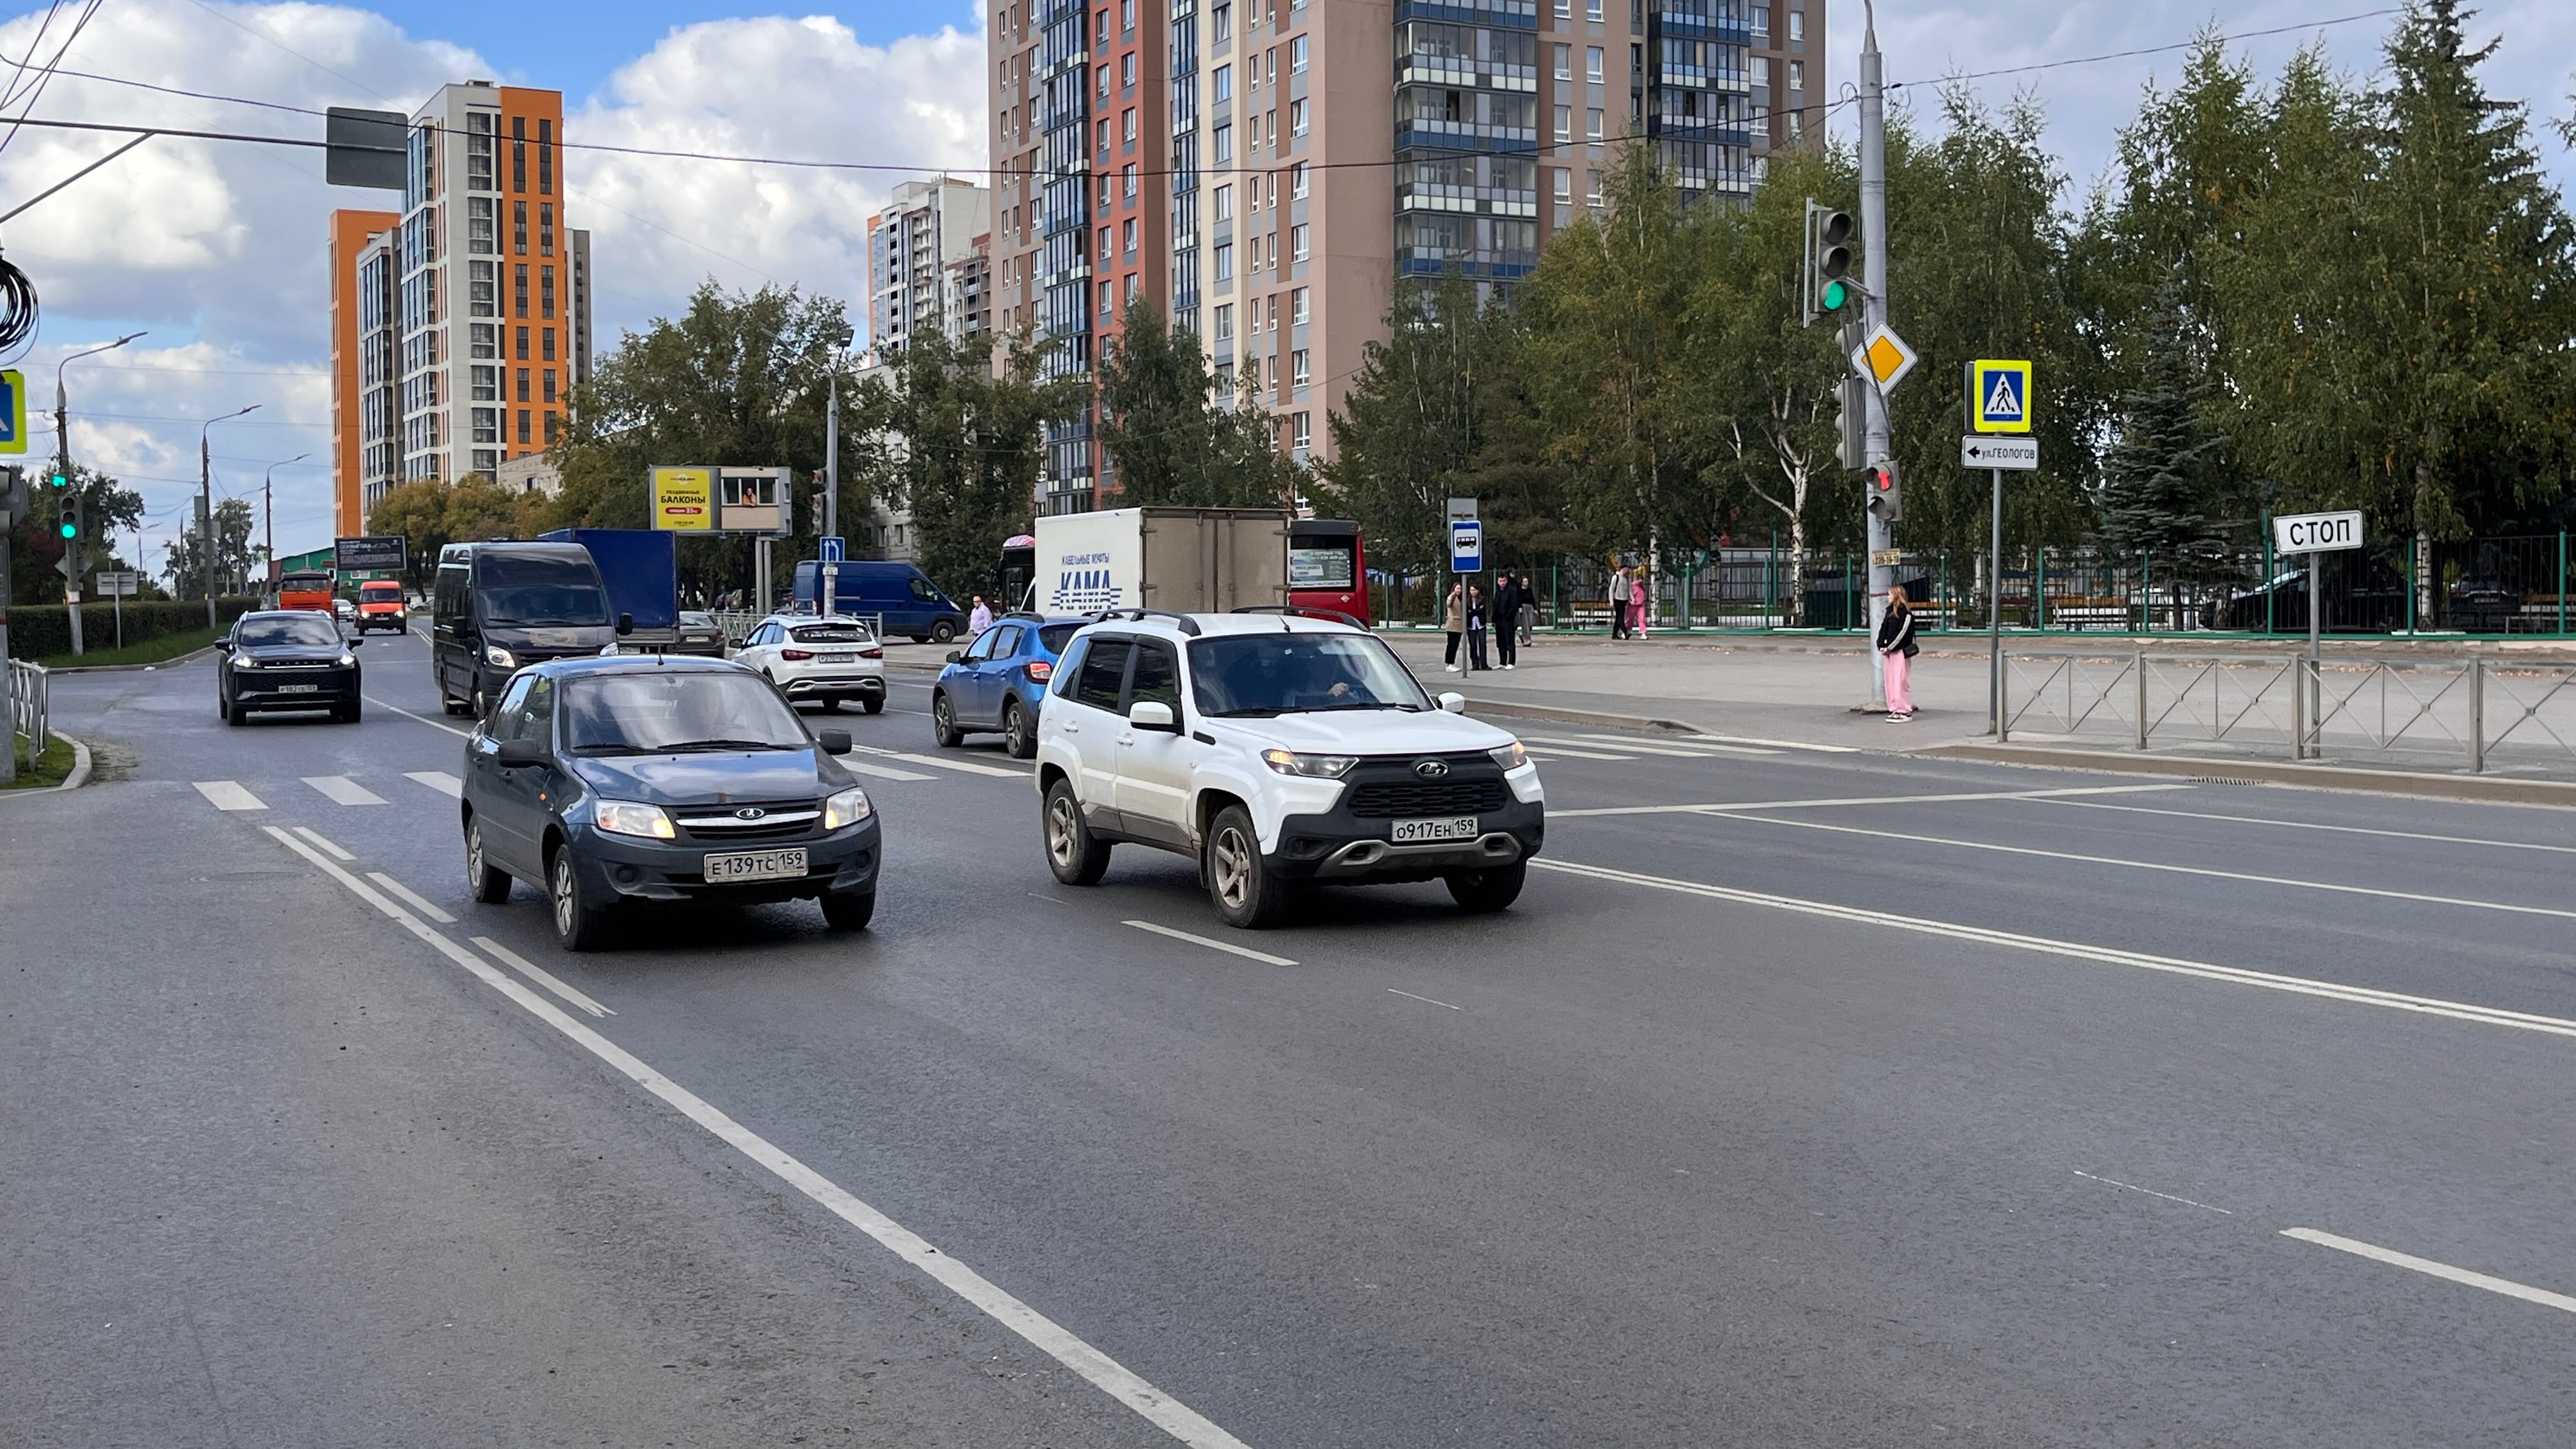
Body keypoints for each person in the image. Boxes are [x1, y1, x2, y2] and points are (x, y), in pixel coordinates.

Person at [1877, 584, 1919, 721]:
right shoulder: (1889, 612)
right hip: (1889, 652)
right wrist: (1881, 644)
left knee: (1900, 682)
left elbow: (1903, 633)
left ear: (1896, 595)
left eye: (1890, 594)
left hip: (1900, 652)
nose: (1888, 597)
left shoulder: (1905, 613)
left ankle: (1904, 710)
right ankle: (1895, 708)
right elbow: (1883, 629)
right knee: (1890, 681)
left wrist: (1890, 647)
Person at [1491, 574, 1521, 670]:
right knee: (1500, 642)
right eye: (1500, 581)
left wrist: (1509, 615)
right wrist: (1494, 618)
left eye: (1504, 581)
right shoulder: (1498, 593)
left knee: (1510, 641)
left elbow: (1514, 605)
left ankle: (1511, 662)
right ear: (1498, 582)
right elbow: (1495, 606)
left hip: (1508, 620)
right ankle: (1502, 662)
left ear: (1507, 581)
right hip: (1499, 620)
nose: (1502, 583)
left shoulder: (1512, 592)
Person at [1441, 580, 1466, 671]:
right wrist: (1453, 594)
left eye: (1460, 589)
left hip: (1459, 626)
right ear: (1454, 589)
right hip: (1453, 625)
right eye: (1458, 588)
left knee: (1455, 645)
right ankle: (1449, 664)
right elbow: (1449, 604)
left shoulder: (1460, 599)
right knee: (1451, 645)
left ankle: (1452, 663)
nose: (1459, 590)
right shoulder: (1452, 597)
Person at [1466, 584, 1491, 672]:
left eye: (1475, 590)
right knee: (1473, 645)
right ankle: (1475, 664)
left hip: (1481, 625)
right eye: (1472, 590)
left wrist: (1473, 612)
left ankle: (1484, 664)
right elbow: (1468, 612)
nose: (1473, 592)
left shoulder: (1482, 600)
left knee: (1482, 644)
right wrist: (1474, 612)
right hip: (1471, 626)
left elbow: (1482, 611)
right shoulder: (1467, 601)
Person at [1516, 573, 1537, 649]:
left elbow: (1532, 599)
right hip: (1523, 607)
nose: (1526, 583)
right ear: (1522, 582)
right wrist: (1519, 607)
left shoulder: (1529, 590)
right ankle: (1527, 641)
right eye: (1525, 581)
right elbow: (1518, 599)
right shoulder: (1519, 591)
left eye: (1527, 581)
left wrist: (1535, 609)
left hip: (1530, 607)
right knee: (1525, 625)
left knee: (1531, 624)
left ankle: (1522, 635)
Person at [1609, 565, 1630, 638]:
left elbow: (1629, 590)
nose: (1627, 571)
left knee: (1619, 617)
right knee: (1620, 617)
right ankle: (1625, 631)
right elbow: (1611, 589)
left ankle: (1614, 634)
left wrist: (1631, 598)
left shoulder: (1626, 579)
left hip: (1624, 600)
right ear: (1621, 569)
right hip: (1617, 599)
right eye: (1625, 569)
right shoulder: (1616, 577)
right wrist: (1611, 601)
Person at [1631, 569, 1650, 638]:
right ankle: (1626, 631)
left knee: (1641, 619)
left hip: (1640, 605)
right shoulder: (1634, 586)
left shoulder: (1640, 586)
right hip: (1633, 605)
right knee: (1630, 619)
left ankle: (1643, 633)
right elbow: (1630, 595)